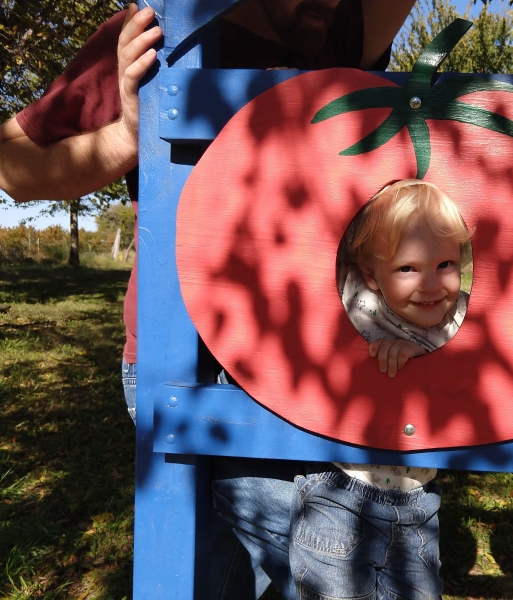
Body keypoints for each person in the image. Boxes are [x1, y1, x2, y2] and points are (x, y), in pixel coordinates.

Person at [0, 1, 415, 598]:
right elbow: (12, 161)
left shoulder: (337, 26)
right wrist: (126, 135)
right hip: (191, 364)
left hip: (313, 361)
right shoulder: (153, 28)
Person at [286, 180, 471, 600]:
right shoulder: (358, 299)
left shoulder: (462, 318)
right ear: (371, 274)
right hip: (337, 491)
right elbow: (309, 245)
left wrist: (424, 356)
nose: (430, 284)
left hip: (420, 501)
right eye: (407, 268)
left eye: (445, 265)